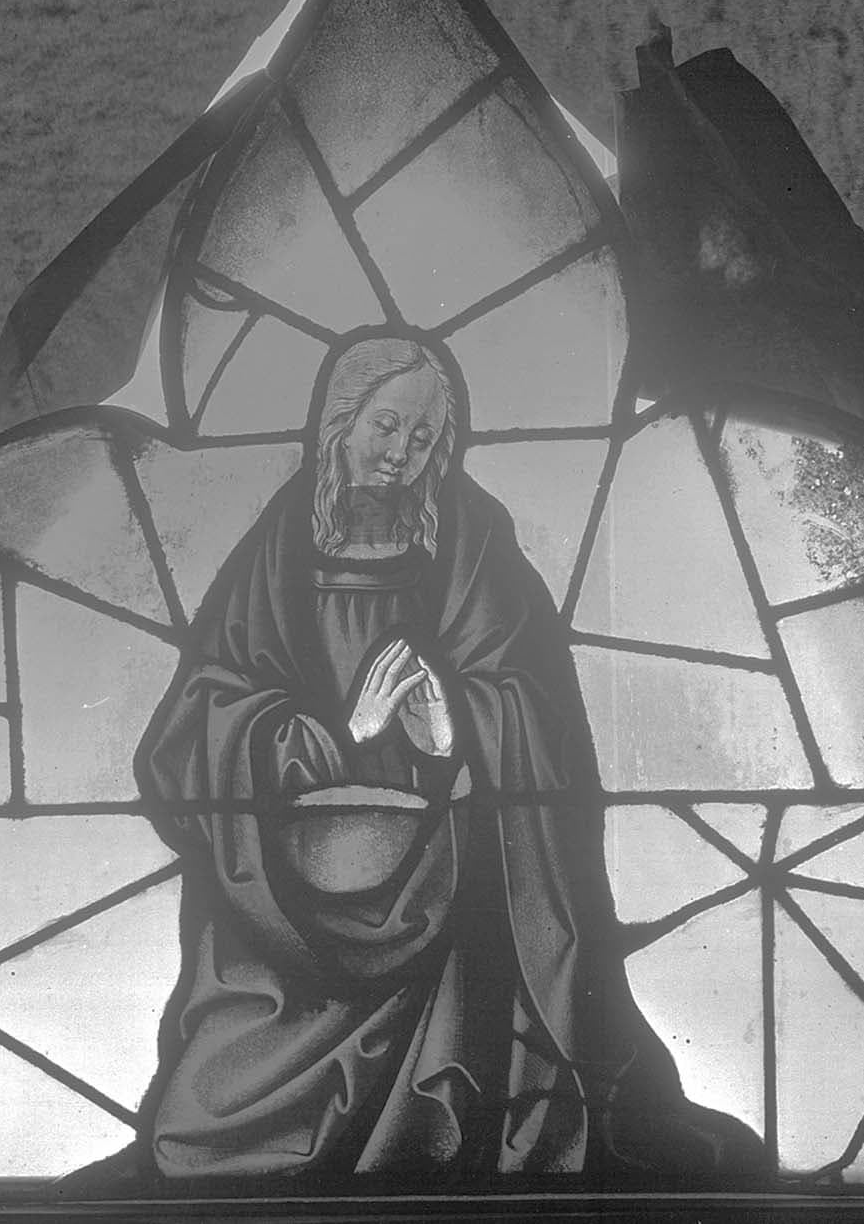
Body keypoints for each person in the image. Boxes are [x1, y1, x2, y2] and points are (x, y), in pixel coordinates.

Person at [128, 333, 762, 1185]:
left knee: (456, 1104)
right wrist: (334, 736)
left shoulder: (472, 544)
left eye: (423, 437)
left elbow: (534, 711)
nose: (401, 453)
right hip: (285, 899)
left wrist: (451, 727)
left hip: (450, 883)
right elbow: (193, 736)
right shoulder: (275, 554)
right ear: (339, 423)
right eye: (385, 426)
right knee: (201, 1123)